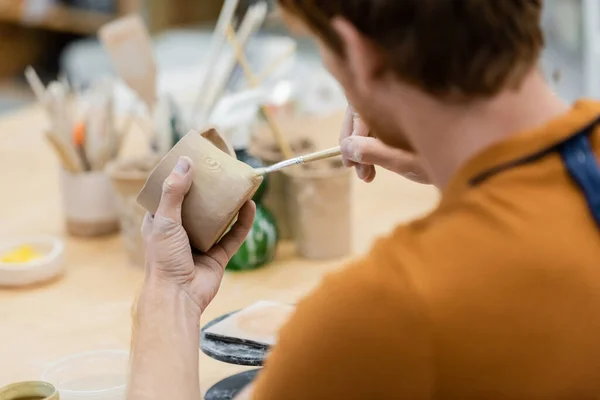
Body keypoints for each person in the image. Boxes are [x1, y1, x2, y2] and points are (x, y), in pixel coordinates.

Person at [127, 0, 600, 399]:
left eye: (326, 54)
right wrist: (448, 163)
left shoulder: (382, 316)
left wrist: (169, 295)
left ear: (360, 53)